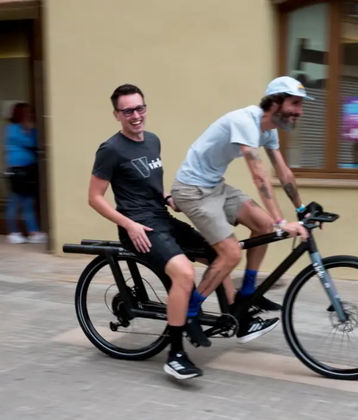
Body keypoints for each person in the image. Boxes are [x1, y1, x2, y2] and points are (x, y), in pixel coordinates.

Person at [88, 84, 271, 380]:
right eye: (128, 111)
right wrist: (129, 223)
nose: (136, 115)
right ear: (116, 115)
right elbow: (94, 197)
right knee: (184, 274)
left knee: (221, 254)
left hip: (163, 218)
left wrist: (168, 198)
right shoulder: (111, 150)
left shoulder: (152, 141)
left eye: (140, 108)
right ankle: (175, 355)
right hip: (140, 227)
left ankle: (238, 318)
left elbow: (150, 183)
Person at [171, 76, 312, 345]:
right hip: (192, 190)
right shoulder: (245, 121)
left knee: (263, 224)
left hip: (215, 187)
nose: (299, 111)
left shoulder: (269, 130)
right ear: (276, 102)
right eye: (295, 103)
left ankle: (247, 294)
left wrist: (302, 209)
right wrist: (283, 220)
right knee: (232, 252)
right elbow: (259, 176)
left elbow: (283, 172)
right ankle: (189, 312)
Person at [4, 102, 47, 244]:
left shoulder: (31, 130)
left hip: (29, 170)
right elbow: (26, 142)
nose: (30, 115)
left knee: (29, 201)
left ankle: (33, 231)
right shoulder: (12, 129)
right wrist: (28, 129)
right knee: (15, 202)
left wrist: (30, 129)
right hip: (17, 171)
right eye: (27, 112)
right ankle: (13, 232)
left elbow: (37, 142)